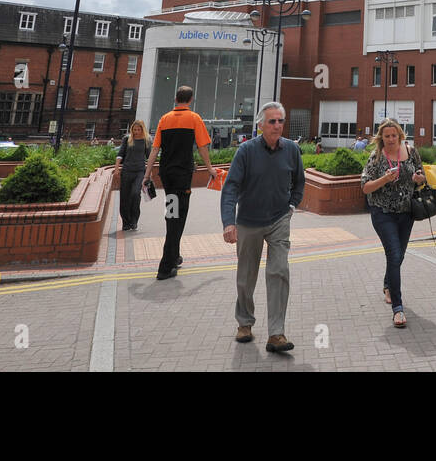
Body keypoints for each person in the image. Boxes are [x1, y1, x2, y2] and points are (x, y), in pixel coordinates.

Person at [221, 101, 304, 353]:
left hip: (279, 219)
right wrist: (228, 222)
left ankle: (276, 333)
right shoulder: (246, 151)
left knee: (279, 272)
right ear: (260, 125)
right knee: (246, 276)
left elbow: (299, 182)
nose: (277, 125)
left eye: (280, 121)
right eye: (272, 121)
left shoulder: (291, 150)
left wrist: (291, 206)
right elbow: (231, 187)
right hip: (248, 221)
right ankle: (244, 323)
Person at [143, 85, 217, 281]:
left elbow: (154, 150)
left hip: (167, 175)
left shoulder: (164, 119)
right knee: (177, 217)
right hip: (182, 176)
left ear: (176, 99)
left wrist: (147, 174)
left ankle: (174, 256)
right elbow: (202, 147)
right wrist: (210, 168)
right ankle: (166, 267)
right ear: (190, 100)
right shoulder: (194, 119)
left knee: (172, 214)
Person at [360, 118, 427, 328]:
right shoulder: (376, 157)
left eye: (394, 135)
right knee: (394, 254)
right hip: (383, 213)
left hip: (406, 212)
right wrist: (384, 180)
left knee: (399, 256)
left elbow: (422, 174)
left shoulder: (411, 151)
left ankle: (388, 285)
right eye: (387, 136)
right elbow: (365, 187)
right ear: (381, 138)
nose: (390, 139)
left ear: (400, 136)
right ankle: (398, 309)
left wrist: (419, 178)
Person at [116, 119, 150, 231]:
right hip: (126, 171)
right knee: (125, 197)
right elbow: (120, 154)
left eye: (138, 129)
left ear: (142, 129)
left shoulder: (146, 140)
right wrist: (117, 168)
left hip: (140, 171)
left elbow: (149, 157)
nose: (136, 132)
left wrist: (149, 172)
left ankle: (134, 221)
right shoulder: (127, 139)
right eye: (134, 129)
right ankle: (126, 222)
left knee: (135, 194)